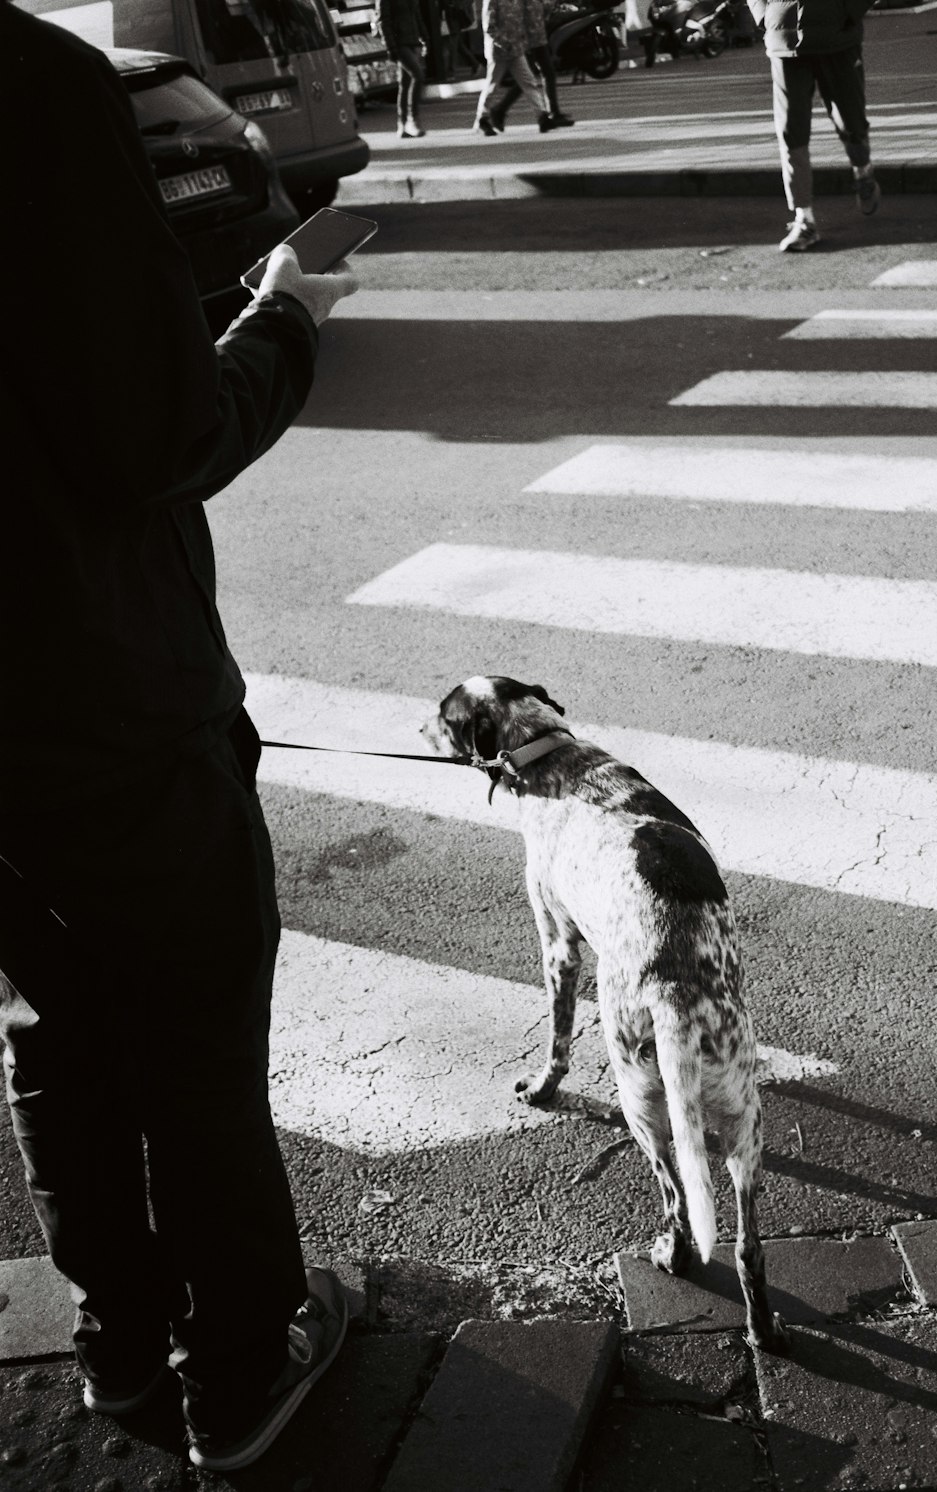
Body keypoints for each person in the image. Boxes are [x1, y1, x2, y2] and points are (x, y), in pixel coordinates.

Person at [0, 5, 359, 1474]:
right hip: (102, 692)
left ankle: (119, 1344)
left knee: (56, 1036)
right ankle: (239, 1365)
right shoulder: (30, 85)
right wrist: (280, 321)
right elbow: (153, 433)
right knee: (195, 1047)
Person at [747, 0, 880, 251]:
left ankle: (863, 171)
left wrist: (847, 11)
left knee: (850, 120)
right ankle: (803, 218)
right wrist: (765, 17)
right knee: (791, 130)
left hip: (837, 37)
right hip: (784, 38)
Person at [486, 0, 573, 131]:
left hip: (536, 35)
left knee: (537, 76)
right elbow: (528, 11)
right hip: (529, 37)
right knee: (531, 77)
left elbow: (540, 10)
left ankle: (548, 113)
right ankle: (501, 110)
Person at [473, 0, 556, 134]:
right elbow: (489, 27)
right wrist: (503, 42)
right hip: (499, 52)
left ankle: (542, 117)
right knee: (493, 85)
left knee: (528, 82)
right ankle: (482, 118)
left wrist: (523, 40)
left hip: (516, 49)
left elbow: (522, 20)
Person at [377, 0, 427, 137]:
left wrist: (424, 37)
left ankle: (402, 124)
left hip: (413, 40)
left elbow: (416, 15)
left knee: (405, 83)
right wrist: (390, 47)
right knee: (418, 75)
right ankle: (412, 119)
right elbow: (383, 21)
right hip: (399, 43)